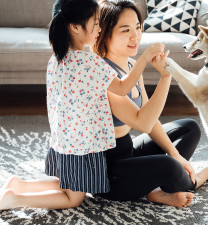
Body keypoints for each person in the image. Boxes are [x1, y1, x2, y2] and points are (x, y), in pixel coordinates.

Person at [0, 0, 166, 211]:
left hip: (64, 141)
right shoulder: (90, 63)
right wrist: (144, 57)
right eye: (95, 23)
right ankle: (16, 199)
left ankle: (20, 185)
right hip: (82, 146)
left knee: (72, 185)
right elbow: (123, 88)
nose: (99, 28)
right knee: (74, 198)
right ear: (75, 27)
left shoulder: (57, 60)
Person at [92, 0, 208, 208]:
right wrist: (165, 77)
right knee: (168, 165)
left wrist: (175, 153)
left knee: (189, 128)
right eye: (126, 30)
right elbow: (142, 123)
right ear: (105, 33)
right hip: (109, 177)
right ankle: (193, 181)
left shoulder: (130, 65)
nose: (135, 36)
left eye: (137, 27)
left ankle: (156, 191)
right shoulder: (105, 76)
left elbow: (150, 119)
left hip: (127, 151)